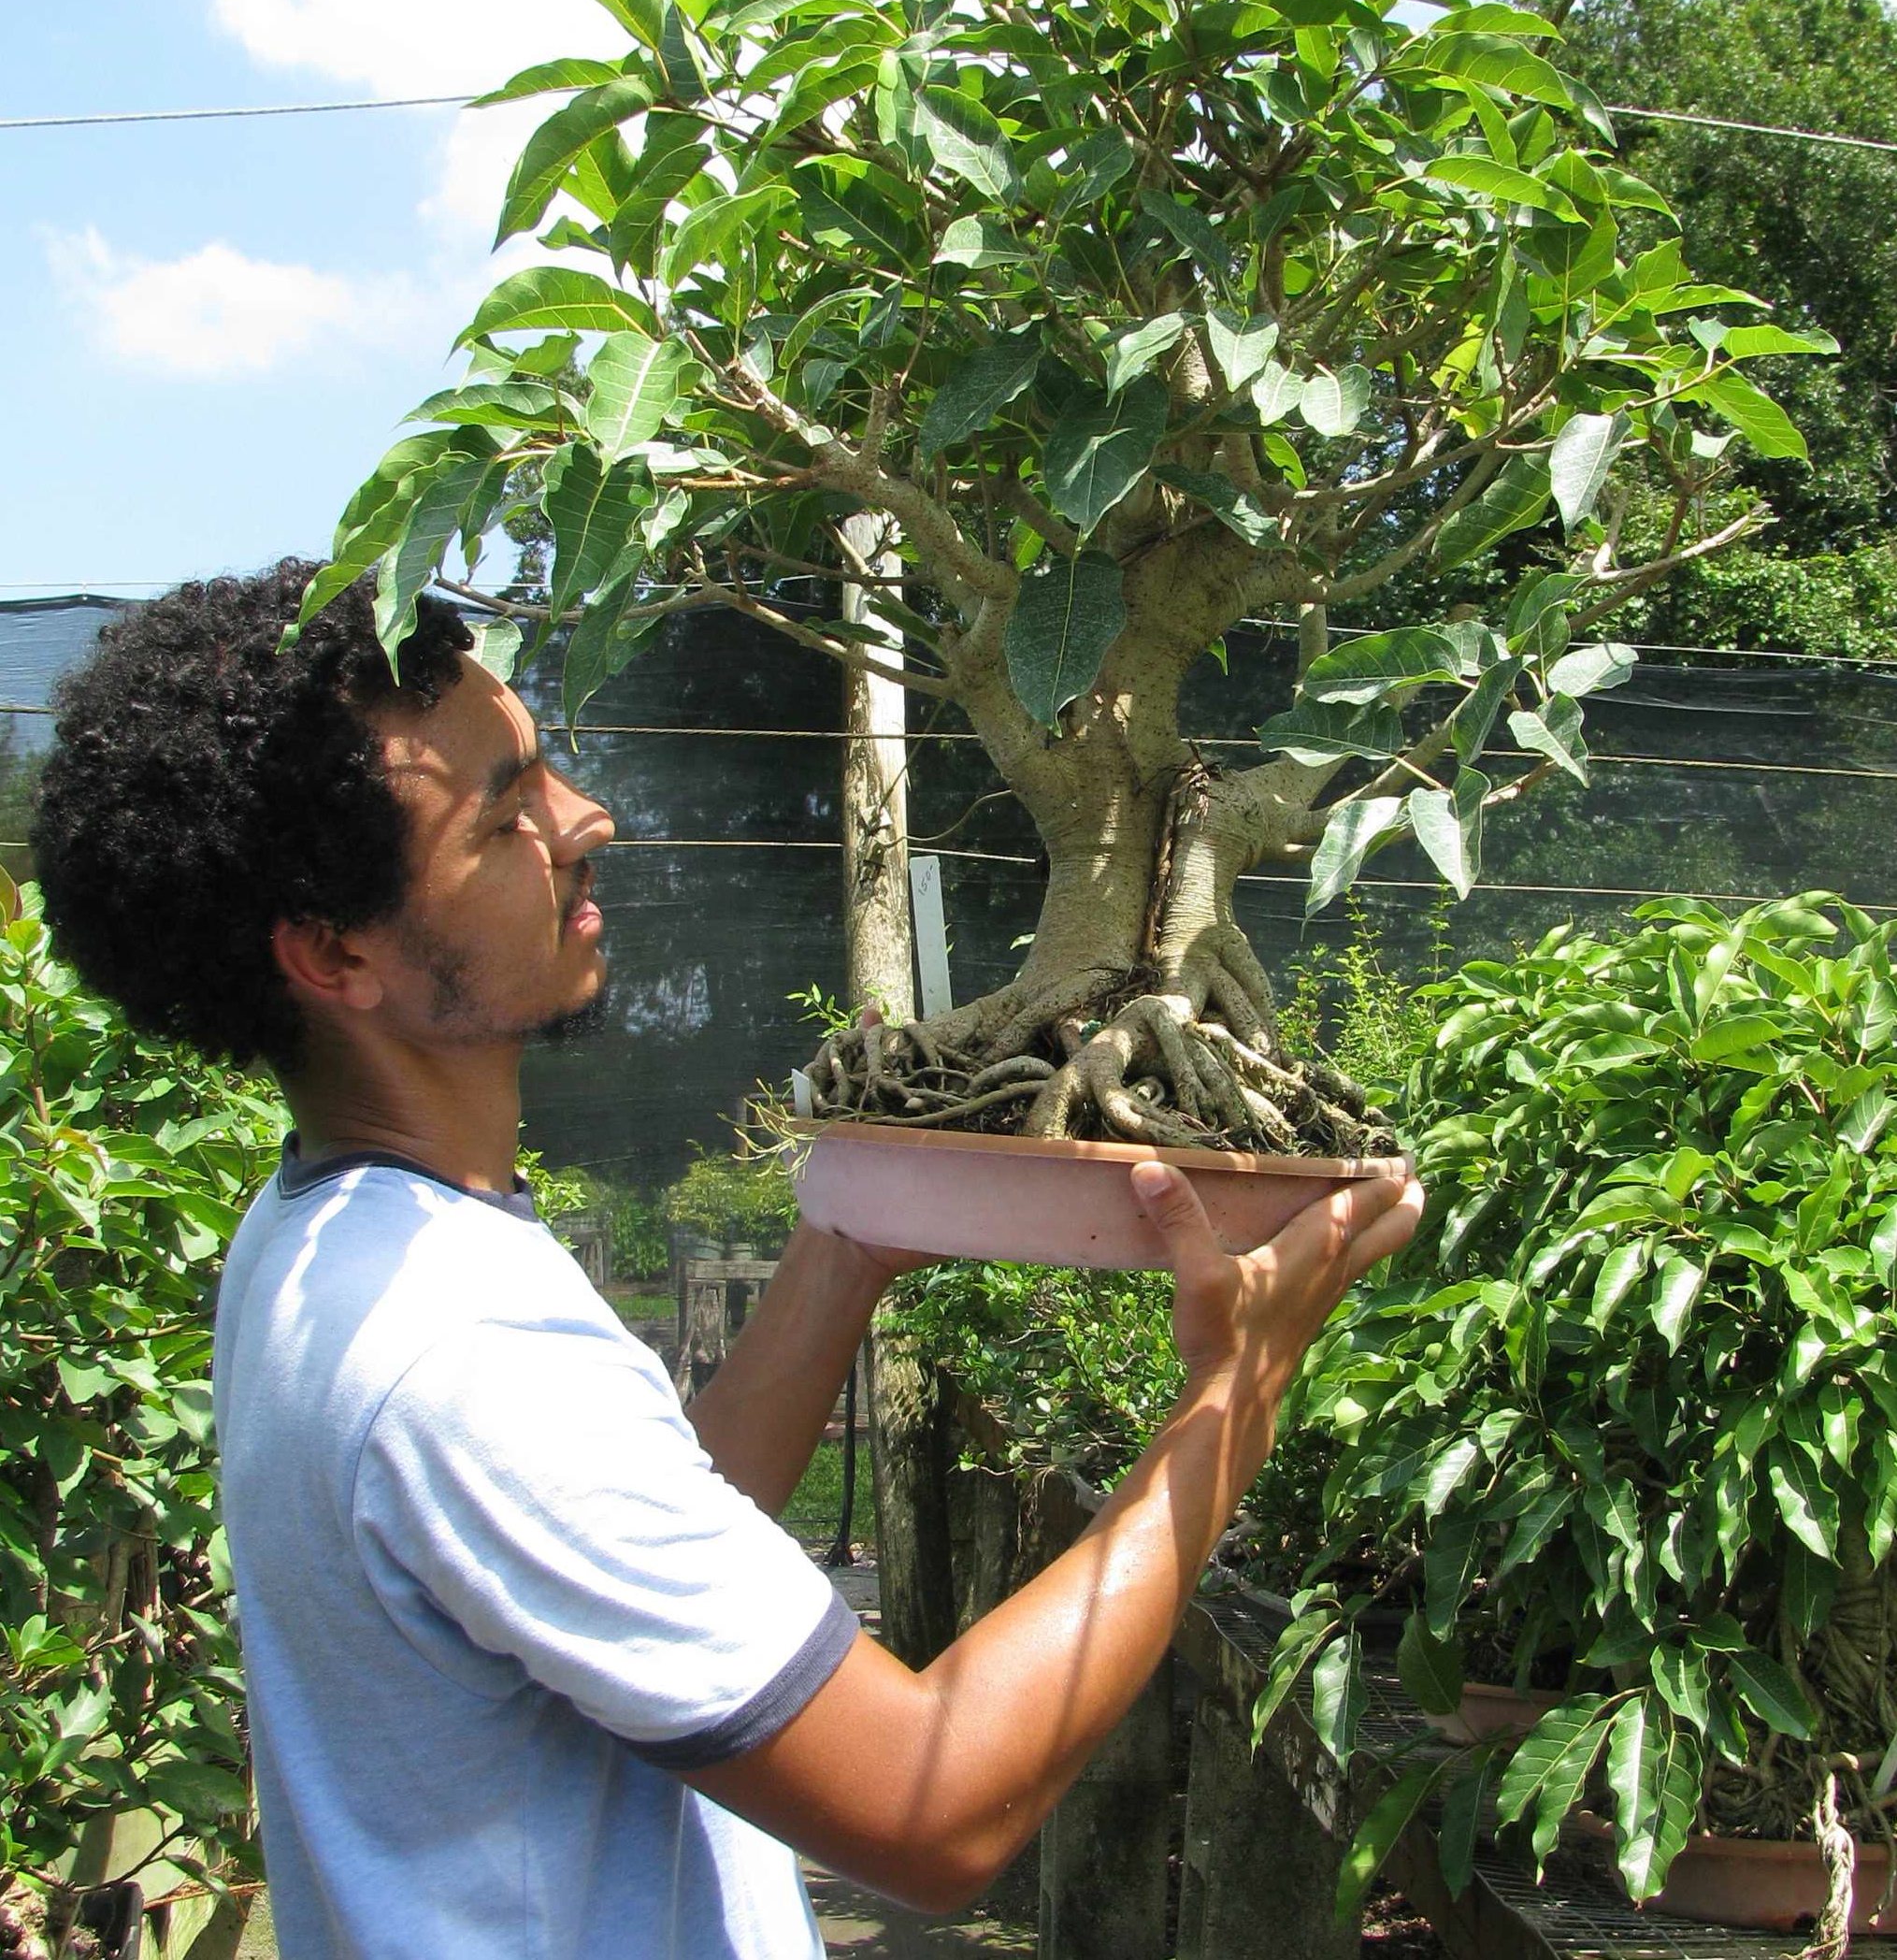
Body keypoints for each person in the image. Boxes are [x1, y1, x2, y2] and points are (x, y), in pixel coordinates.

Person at [32, 560, 1422, 1960]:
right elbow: (931, 1807)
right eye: (504, 816)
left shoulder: (333, 1237)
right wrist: (1227, 1402)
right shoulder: (457, 1353)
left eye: (544, 769)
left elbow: (640, 1531)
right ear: (337, 954)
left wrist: (845, 1245)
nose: (586, 819)